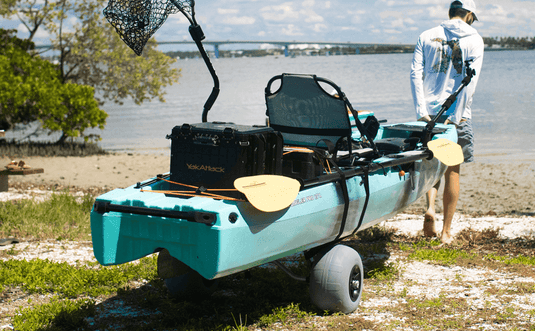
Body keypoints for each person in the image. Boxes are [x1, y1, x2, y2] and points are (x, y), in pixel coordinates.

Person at [410, 0, 484, 244]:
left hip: (429, 114)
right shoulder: (475, 39)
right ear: (469, 14)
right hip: (456, 115)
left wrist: (422, 110)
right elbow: (470, 81)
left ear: (450, 12)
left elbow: (415, 74)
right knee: (453, 170)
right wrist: (456, 117)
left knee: (433, 166)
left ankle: (430, 208)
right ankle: (446, 231)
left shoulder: (426, 35)